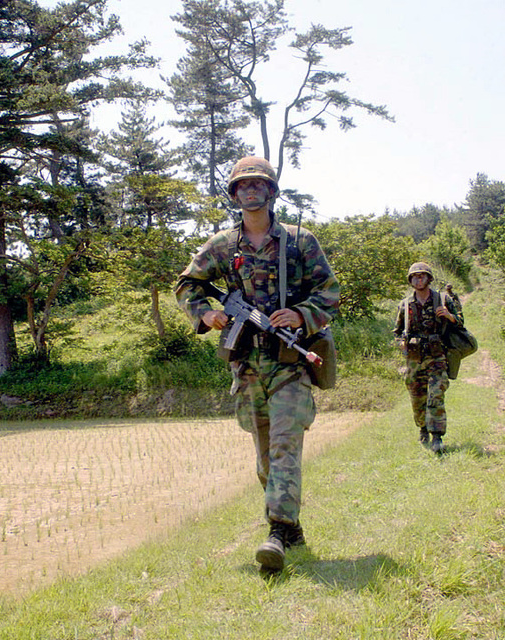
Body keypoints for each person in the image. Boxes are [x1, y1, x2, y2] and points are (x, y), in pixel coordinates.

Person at [175, 156, 340, 571]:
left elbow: (329, 291)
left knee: (285, 447)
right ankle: (292, 526)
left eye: (258, 184)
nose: (250, 190)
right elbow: (186, 284)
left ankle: (278, 532)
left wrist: (301, 314)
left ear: (270, 191)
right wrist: (206, 314)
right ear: (234, 194)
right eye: (242, 185)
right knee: (265, 458)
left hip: (290, 363)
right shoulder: (223, 246)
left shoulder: (300, 241)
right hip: (247, 366)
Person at [393, 262, 463, 453]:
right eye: (415, 276)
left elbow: (460, 323)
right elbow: (397, 331)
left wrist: (449, 316)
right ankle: (423, 429)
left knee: (436, 395)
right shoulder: (405, 304)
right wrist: (400, 342)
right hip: (414, 360)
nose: (419, 279)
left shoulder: (443, 299)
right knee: (417, 398)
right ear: (410, 280)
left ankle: (437, 436)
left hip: (437, 357)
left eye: (422, 275)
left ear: (429, 278)